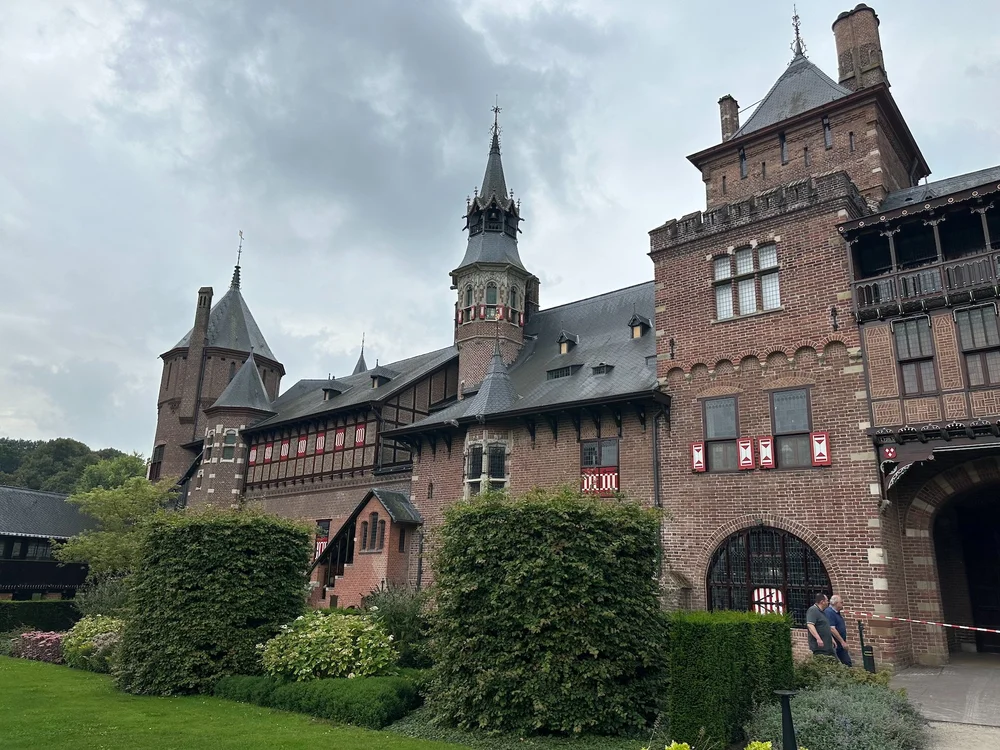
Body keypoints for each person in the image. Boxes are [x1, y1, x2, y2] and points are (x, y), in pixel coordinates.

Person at [805, 592, 835, 657]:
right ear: (822, 602)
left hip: (828, 646)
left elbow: (825, 627)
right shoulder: (813, 610)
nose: (828, 603)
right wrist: (818, 639)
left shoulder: (822, 612)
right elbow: (810, 625)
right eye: (827, 601)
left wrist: (831, 639)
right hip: (820, 647)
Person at [826, 594, 852, 666]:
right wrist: (842, 642)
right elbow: (832, 628)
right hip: (836, 643)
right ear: (835, 603)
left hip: (840, 643)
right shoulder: (829, 612)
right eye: (841, 602)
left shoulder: (837, 612)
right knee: (841, 662)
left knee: (847, 662)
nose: (842, 604)